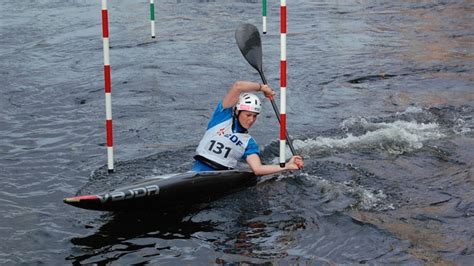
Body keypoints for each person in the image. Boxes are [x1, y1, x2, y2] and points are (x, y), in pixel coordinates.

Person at [192, 81, 304, 175]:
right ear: (237, 111)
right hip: (195, 173)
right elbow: (238, 86)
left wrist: (286, 166)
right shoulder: (222, 117)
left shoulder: (249, 143)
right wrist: (262, 88)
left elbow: (257, 169)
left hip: (220, 177)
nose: (251, 120)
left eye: (254, 116)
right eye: (248, 115)